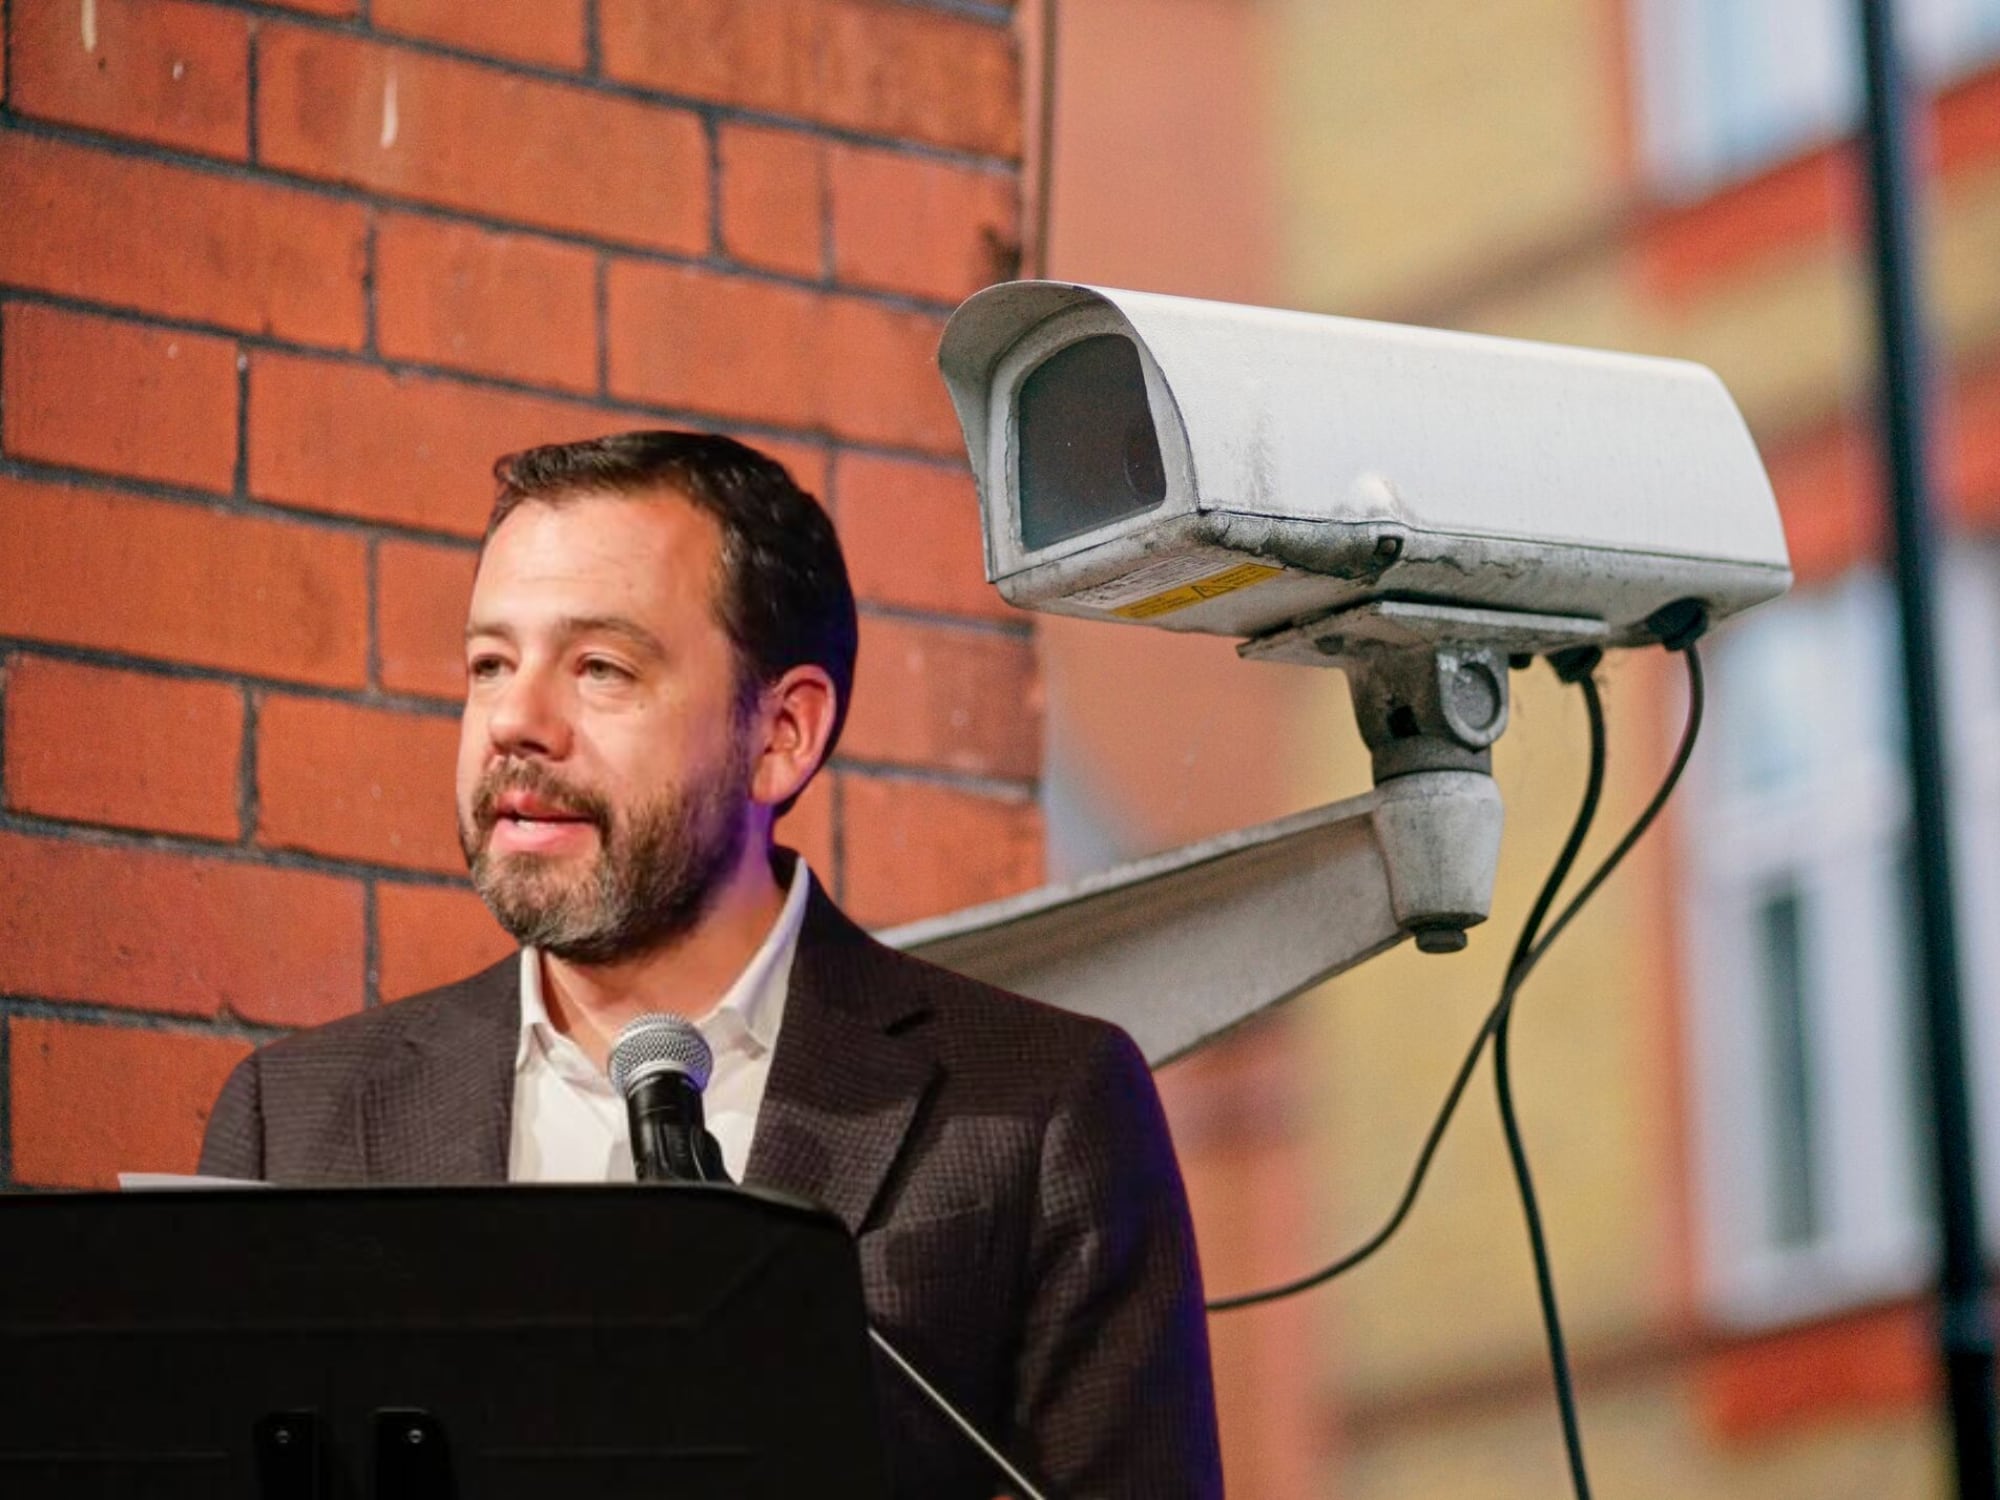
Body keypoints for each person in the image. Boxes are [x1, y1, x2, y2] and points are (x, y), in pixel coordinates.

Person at [200, 430, 1223, 1497]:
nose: (514, 722)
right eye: (490, 665)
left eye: (599, 668)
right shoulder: (296, 1119)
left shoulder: (1032, 1111)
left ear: (780, 734)